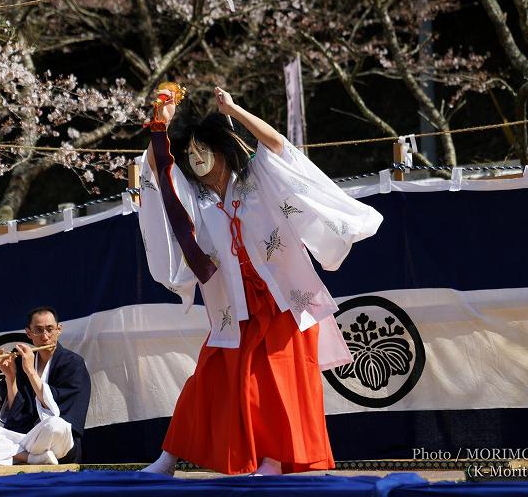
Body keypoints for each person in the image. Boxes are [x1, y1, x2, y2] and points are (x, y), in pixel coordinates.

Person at [138, 85, 383, 475]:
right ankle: (169, 457)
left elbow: (277, 144)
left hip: (282, 300)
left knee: (276, 378)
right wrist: (159, 125)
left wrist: (234, 109)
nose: (196, 158)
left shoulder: (256, 177)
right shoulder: (197, 201)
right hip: (232, 306)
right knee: (208, 379)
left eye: (203, 148)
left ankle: (274, 459)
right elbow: (157, 173)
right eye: (190, 154)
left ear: (222, 148)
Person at [0, 306, 91, 465]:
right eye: (38, 330)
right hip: (27, 439)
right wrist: (11, 377)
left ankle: (15, 456)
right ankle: (33, 458)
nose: (45, 336)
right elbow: (17, 415)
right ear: (29, 333)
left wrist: (31, 372)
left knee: (55, 425)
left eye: (50, 329)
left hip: (57, 442)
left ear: (59, 329)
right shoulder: (24, 362)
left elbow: (60, 412)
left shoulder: (73, 363)